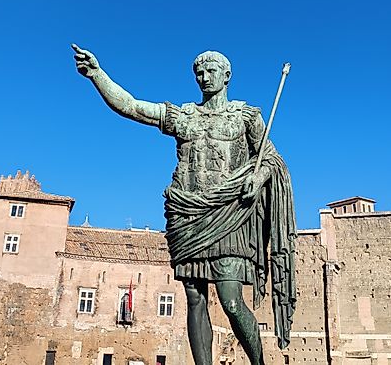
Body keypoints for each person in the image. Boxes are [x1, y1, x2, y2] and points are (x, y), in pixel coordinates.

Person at [72, 45, 296, 365]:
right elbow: (132, 107)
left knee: (231, 300)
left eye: (212, 71)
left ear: (227, 76)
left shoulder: (246, 117)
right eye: (199, 73)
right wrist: (96, 74)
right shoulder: (184, 116)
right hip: (186, 214)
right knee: (194, 298)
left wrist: (258, 178)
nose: (205, 77)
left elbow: (271, 160)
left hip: (228, 213)